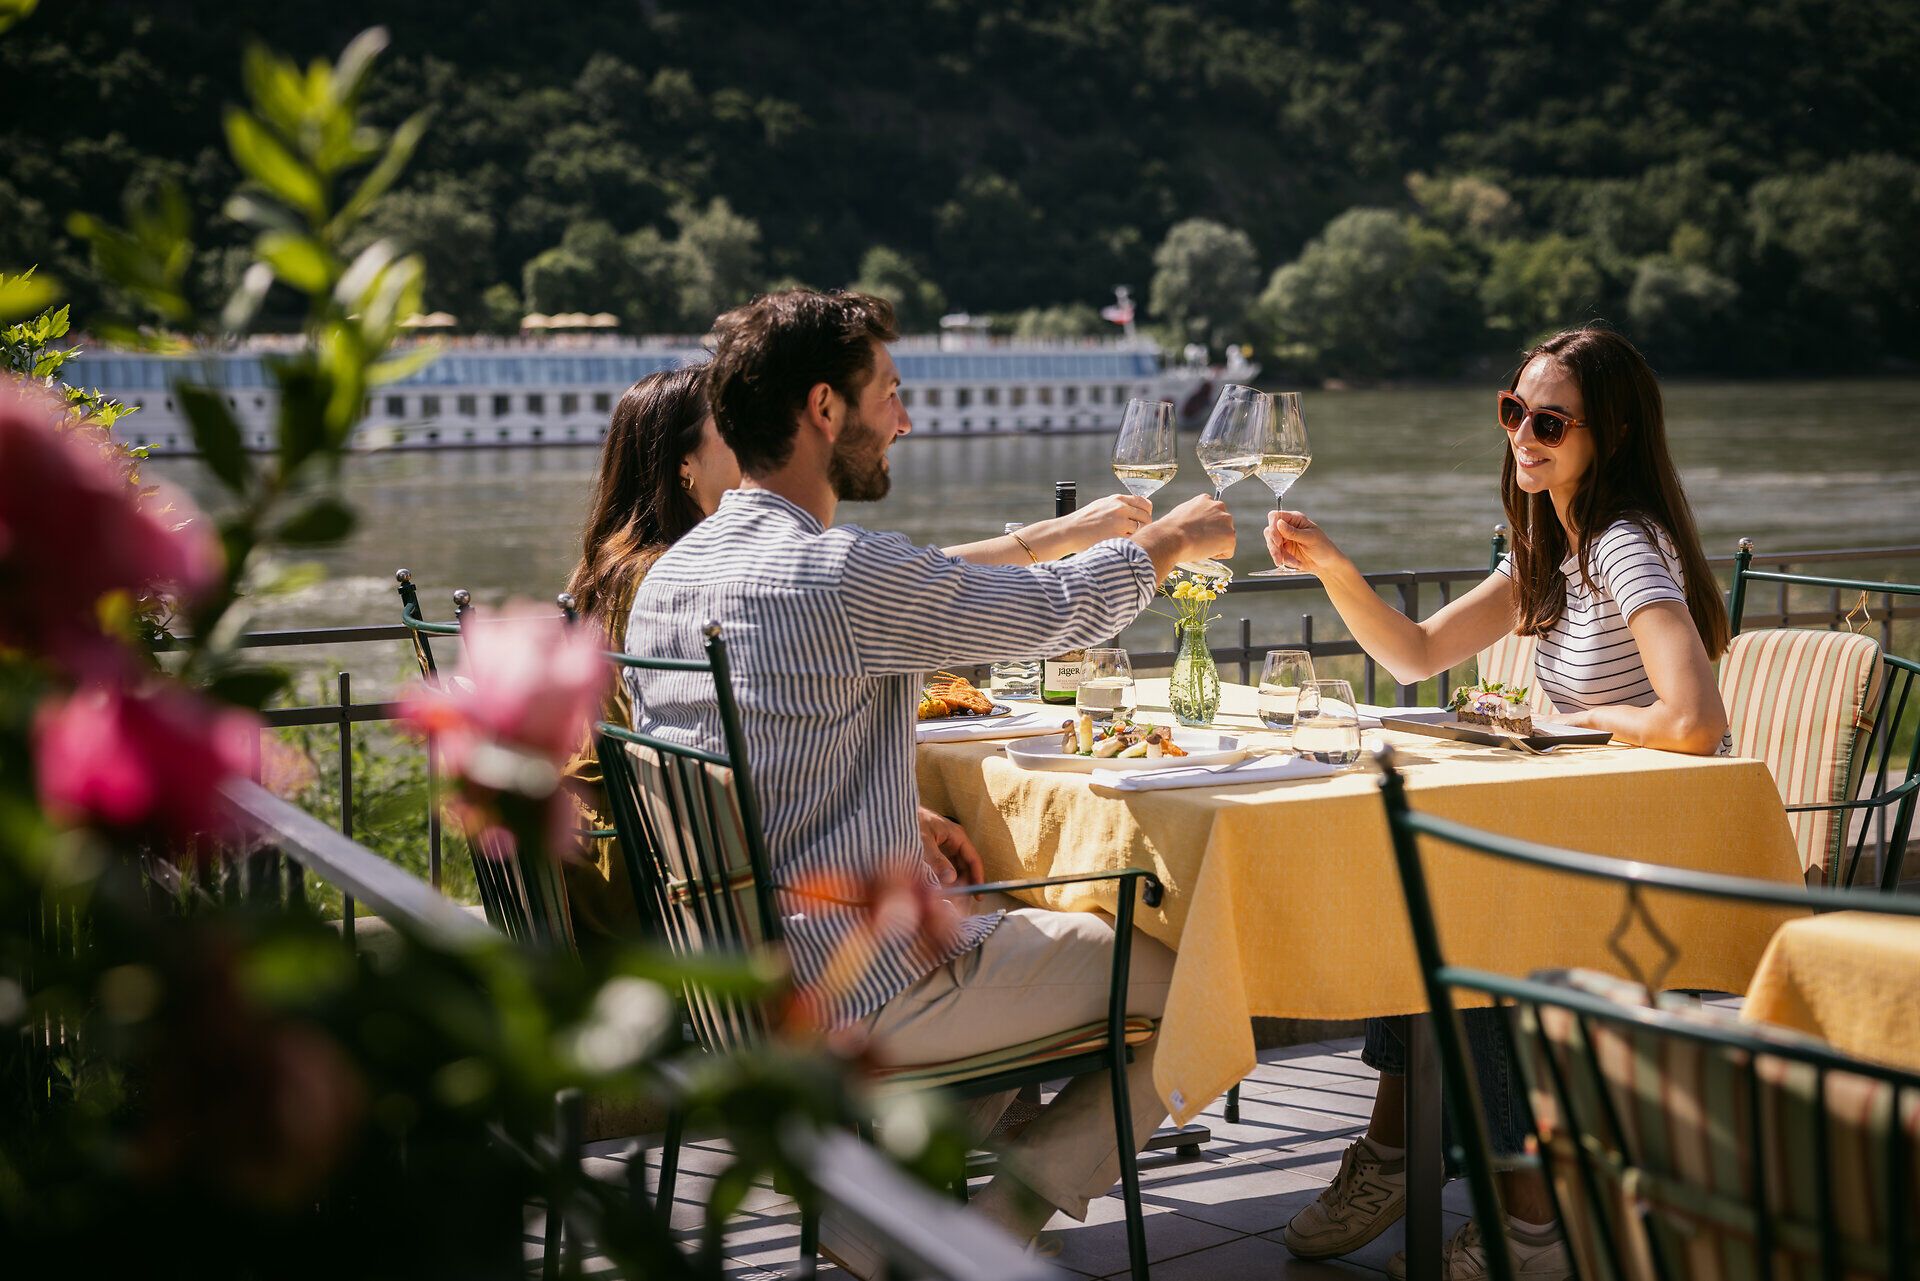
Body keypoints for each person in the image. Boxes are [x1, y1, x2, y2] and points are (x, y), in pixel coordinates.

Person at [623, 289, 1235, 1273]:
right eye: (891, 393)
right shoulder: (836, 573)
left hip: (733, 980)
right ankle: (981, 1237)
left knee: (997, 910)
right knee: (1215, 985)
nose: (905, 420)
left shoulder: (668, 581)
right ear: (825, 408)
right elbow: (1048, 612)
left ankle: (881, 1217)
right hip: (861, 988)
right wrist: (1167, 543)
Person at [1263, 327, 1731, 1280]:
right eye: (1515, 411)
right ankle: (1398, 1153)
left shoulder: (1622, 544)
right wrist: (1332, 566)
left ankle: (1527, 1222)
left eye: (1551, 422)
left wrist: (1579, 717)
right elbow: (1415, 654)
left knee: (1467, 916)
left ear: (1613, 434)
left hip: (1638, 866)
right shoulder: (1551, 547)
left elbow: (1694, 722)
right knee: (1418, 891)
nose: (1524, 435)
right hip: (1572, 836)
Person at [559, 367, 1160, 942]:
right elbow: (864, 595)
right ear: (683, 464)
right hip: (669, 896)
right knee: (1099, 923)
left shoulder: (639, 574)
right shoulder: (674, 581)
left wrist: (881, 817)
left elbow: (884, 592)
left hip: (672, 870)